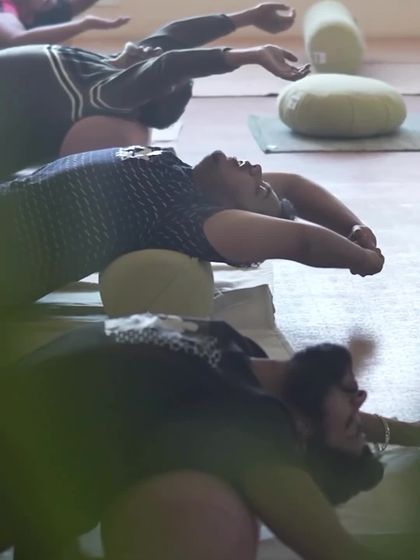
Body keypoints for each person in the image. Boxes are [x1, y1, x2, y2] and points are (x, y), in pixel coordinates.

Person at [0, 313, 418, 560]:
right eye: (355, 407)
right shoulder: (241, 364)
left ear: (302, 438)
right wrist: (407, 432)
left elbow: (336, 550)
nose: (359, 398)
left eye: (350, 423)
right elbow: (321, 406)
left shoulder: (251, 418)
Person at [0, 146, 384, 306]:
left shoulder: (189, 217)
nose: (256, 168)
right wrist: (356, 228)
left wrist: (363, 259)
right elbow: (295, 186)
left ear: (238, 215)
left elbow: (303, 242)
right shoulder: (183, 175)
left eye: (259, 188)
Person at [0, 2, 310, 180]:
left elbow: (171, 65)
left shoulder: (105, 93)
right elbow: (175, 35)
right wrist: (250, 16)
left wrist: (250, 55)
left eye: (153, 69)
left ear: (144, 87)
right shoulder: (104, 66)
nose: (154, 50)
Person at [0, 0, 130, 48]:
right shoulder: (4, 7)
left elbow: (71, 6)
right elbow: (16, 38)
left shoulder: (42, 8)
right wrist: (84, 25)